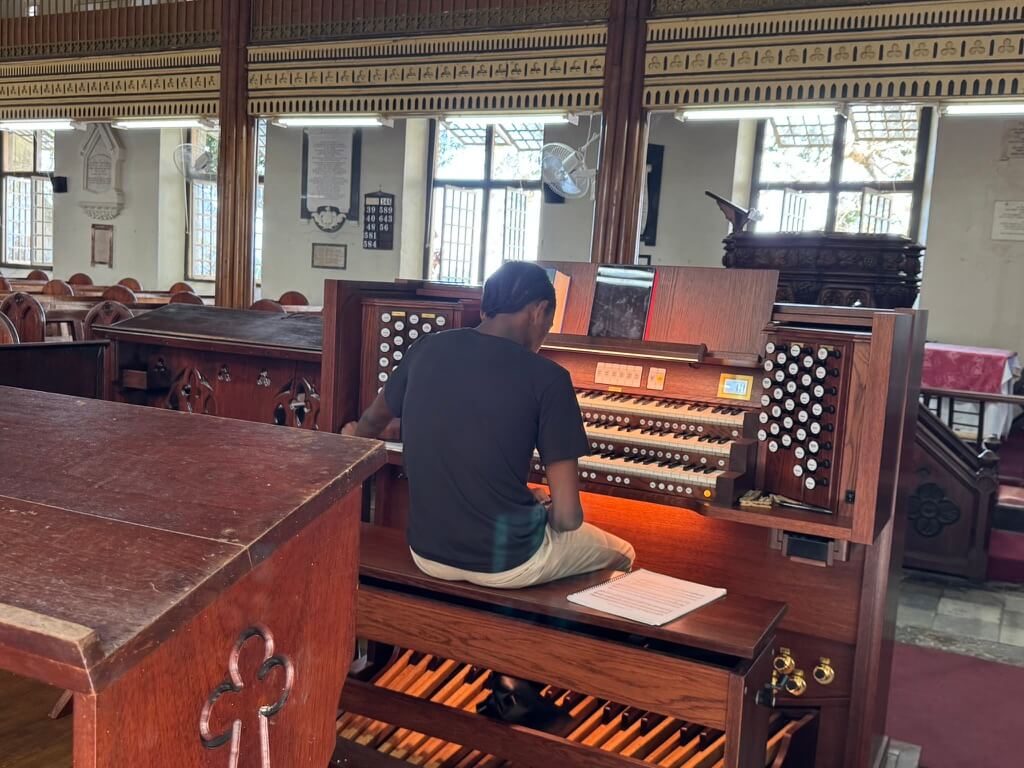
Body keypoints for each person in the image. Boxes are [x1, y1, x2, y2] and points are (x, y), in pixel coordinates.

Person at [345, 261, 634, 588]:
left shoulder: (426, 348)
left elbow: (371, 421)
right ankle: (555, 621)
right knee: (623, 554)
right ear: (538, 311)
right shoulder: (549, 378)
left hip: (426, 553)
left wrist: (353, 437)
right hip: (508, 563)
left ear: (485, 308)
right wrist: (540, 515)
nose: (543, 336)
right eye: (548, 326)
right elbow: (568, 518)